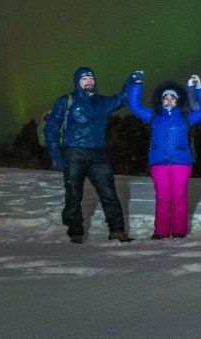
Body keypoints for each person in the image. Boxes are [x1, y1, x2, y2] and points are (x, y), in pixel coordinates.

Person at [44, 66, 139, 244]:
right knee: (73, 195)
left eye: (92, 78)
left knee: (109, 193)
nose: (90, 80)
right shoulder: (66, 101)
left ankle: (117, 231)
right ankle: (75, 232)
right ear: (77, 81)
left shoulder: (101, 102)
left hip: (98, 154)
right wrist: (55, 154)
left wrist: (130, 82)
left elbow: (122, 99)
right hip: (74, 152)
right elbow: (52, 128)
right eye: (85, 78)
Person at [129, 75, 201, 239]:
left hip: (181, 163)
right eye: (165, 97)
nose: (168, 99)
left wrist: (200, 88)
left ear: (177, 100)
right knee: (162, 198)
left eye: (172, 97)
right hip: (159, 163)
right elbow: (134, 106)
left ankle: (179, 231)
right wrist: (137, 85)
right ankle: (160, 231)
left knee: (179, 198)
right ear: (160, 100)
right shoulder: (153, 117)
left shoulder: (187, 117)